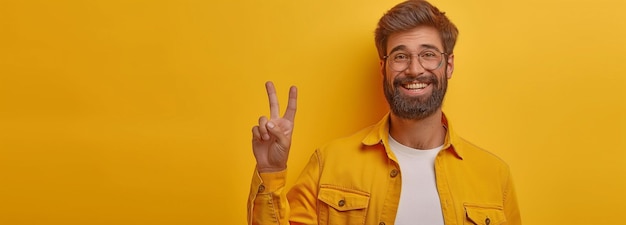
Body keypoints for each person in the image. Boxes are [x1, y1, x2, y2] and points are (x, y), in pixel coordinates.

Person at [247, 0, 522, 224]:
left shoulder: (495, 177)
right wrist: (271, 171)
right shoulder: (329, 164)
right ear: (384, 68)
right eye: (401, 56)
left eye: (428, 54)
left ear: (448, 65)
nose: (414, 69)